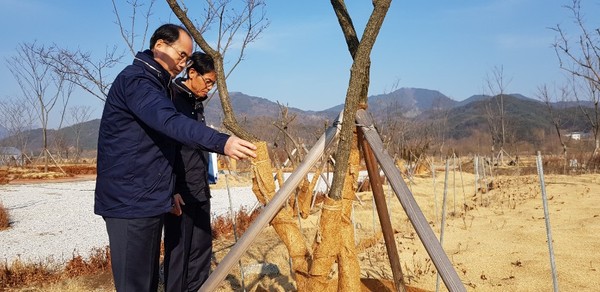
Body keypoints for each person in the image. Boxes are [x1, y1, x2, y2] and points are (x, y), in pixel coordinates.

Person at [94, 24, 256, 292]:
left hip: (148, 199)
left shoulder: (159, 85)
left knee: (146, 283)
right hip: (129, 202)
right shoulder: (137, 81)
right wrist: (222, 142)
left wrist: (169, 192)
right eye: (181, 55)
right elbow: (170, 123)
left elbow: (159, 149)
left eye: (186, 58)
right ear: (159, 47)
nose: (182, 64)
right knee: (135, 286)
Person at [163, 52, 219, 291]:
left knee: (201, 247)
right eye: (207, 82)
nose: (209, 88)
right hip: (180, 192)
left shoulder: (196, 103)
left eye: (213, 85)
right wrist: (172, 189)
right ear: (192, 73)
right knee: (179, 253)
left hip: (199, 188)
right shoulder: (172, 99)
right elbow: (166, 149)